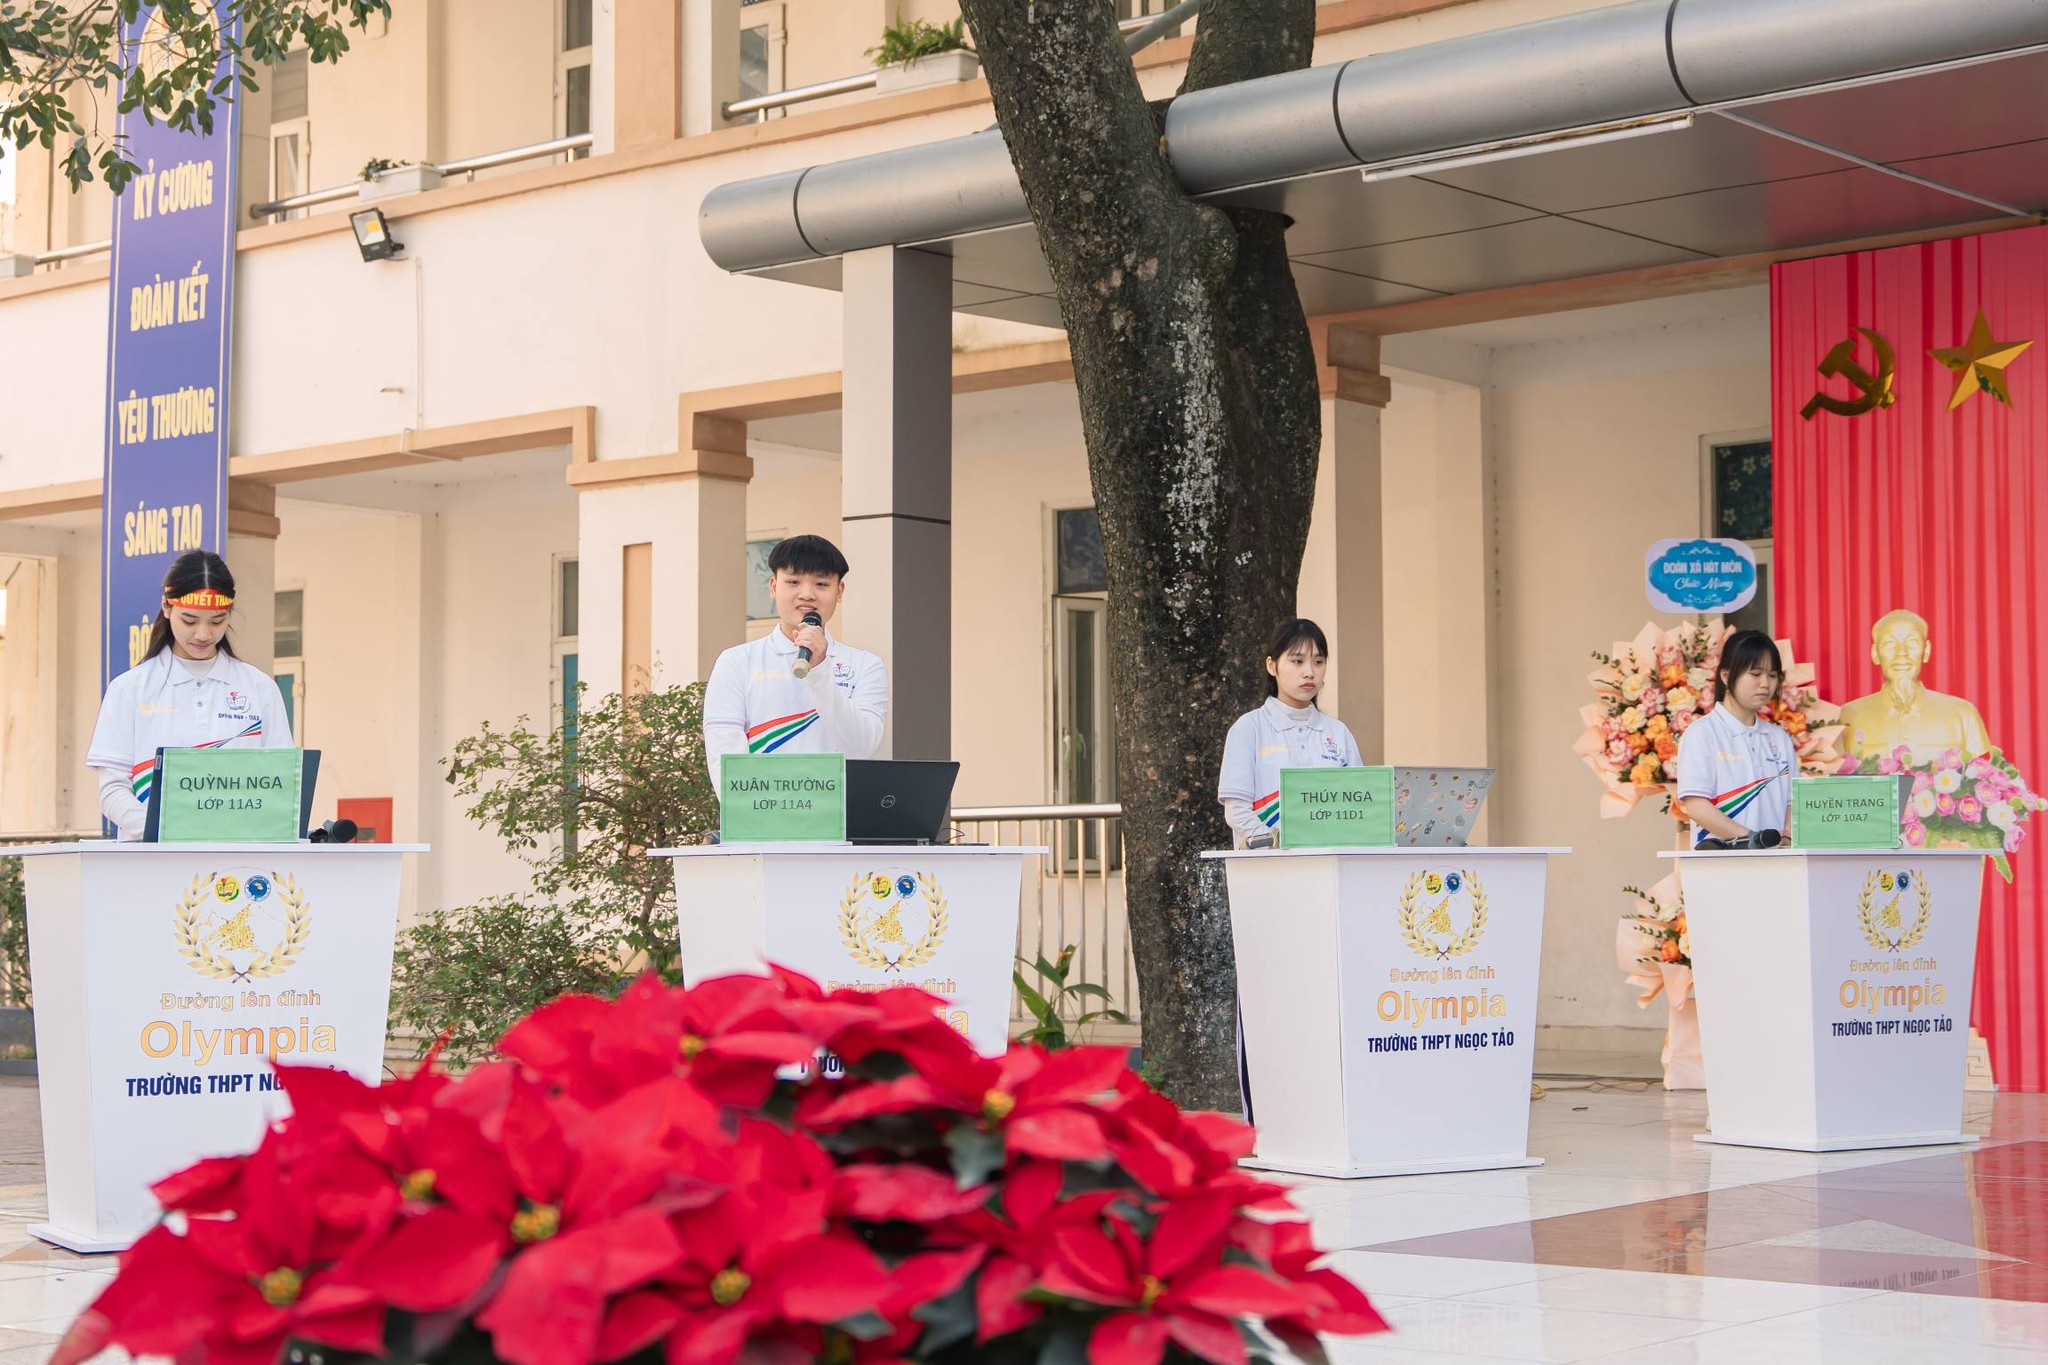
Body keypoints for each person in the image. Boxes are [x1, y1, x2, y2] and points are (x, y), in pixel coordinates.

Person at [86, 551, 294, 840]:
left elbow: (281, 783)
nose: (203, 634)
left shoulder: (260, 688)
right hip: (153, 856)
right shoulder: (129, 689)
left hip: (238, 854)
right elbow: (112, 789)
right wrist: (166, 830)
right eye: (190, 620)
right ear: (166, 607)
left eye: (217, 621)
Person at [702, 534, 889, 788]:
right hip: (762, 810)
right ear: (773, 587)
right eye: (793, 582)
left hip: (840, 812)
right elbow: (725, 761)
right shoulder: (736, 662)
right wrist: (759, 808)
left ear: (839, 591)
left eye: (821, 584)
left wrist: (820, 668)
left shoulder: (865, 665)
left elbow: (861, 747)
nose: (807, 594)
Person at [1217, 617, 1364, 849]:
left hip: (1329, 864)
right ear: (1271, 665)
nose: (1309, 672)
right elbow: (1236, 811)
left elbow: (1359, 806)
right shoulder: (1248, 729)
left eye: (1318, 662)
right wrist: (1281, 843)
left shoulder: (1338, 733)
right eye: (1297, 661)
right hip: (1267, 865)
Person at [1675, 628, 1798, 846]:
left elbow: (1793, 801)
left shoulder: (1780, 739)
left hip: (1778, 860)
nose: (1765, 683)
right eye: (1755, 674)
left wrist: (1787, 838)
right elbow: (1697, 806)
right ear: (1726, 676)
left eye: (1772, 675)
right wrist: (1753, 840)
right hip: (1723, 861)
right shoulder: (1702, 733)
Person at [1835, 608, 1992, 764]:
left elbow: (1981, 773)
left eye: (1912, 642)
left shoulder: (1963, 715)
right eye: (1889, 643)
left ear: (1926, 651)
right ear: (1875, 653)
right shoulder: (1846, 717)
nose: (1901, 653)